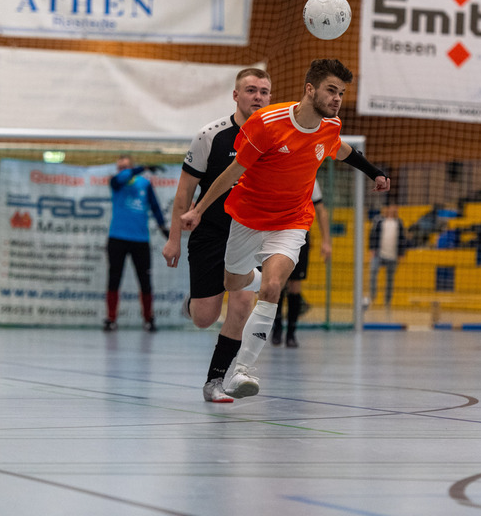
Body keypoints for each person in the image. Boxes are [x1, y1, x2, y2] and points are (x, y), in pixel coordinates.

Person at [180, 58, 390, 398]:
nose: (337, 99)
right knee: (234, 283)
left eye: (341, 92)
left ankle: (239, 372)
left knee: (273, 287)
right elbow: (233, 173)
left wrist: (375, 172)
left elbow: (345, 151)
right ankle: (253, 280)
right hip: (247, 219)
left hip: (291, 222)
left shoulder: (330, 127)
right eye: (331, 91)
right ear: (310, 89)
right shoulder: (268, 122)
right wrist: (199, 210)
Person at [162, 68, 271, 403]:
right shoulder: (211, 135)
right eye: (251, 90)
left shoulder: (275, 136)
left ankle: (215, 381)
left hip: (251, 234)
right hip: (211, 233)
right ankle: (194, 304)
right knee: (204, 318)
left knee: (241, 302)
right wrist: (174, 237)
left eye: (264, 92)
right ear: (236, 96)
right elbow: (184, 193)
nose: (258, 97)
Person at [103, 155, 169, 333]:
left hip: (140, 240)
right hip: (117, 238)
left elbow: (154, 206)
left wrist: (163, 226)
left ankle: (148, 319)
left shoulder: (144, 184)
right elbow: (122, 178)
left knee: (145, 280)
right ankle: (111, 319)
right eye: (120, 167)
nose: (122, 170)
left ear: (131, 166)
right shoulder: (116, 182)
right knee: (114, 279)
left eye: (126, 167)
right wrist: (144, 167)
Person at [272, 181, 332, 347]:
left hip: (300, 234)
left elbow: (321, 210)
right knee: (276, 283)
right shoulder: (279, 169)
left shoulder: (310, 176)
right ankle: (277, 329)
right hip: (276, 232)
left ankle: (291, 333)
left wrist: (326, 241)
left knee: (295, 285)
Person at [366, 203, 406, 309]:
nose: (393, 208)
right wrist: (372, 248)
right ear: (387, 208)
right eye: (391, 206)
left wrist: (401, 253)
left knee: (390, 279)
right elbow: (372, 235)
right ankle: (372, 297)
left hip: (392, 256)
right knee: (373, 273)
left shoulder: (399, 222)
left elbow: (402, 238)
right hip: (379, 254)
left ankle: (387, 301)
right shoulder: (379, 220)